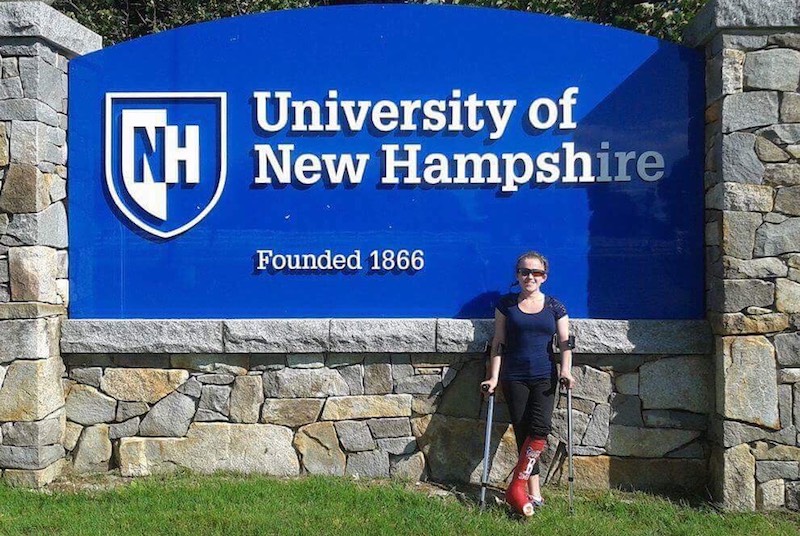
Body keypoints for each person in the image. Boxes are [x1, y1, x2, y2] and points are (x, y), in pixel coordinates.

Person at [480, 251, 575, 517]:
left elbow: (565, 342)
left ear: (544, 277)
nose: (529, 277)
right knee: (523, 431)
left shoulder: (555, 307)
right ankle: (532, 492)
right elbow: (499, 341)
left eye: (536, 273)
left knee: (540, 429)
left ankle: (517, 487)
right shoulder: (506, 305)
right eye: (524, 272)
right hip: (514, 376)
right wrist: (494, 377)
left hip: (545, 376)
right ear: (517, 275)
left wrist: (566, 370)